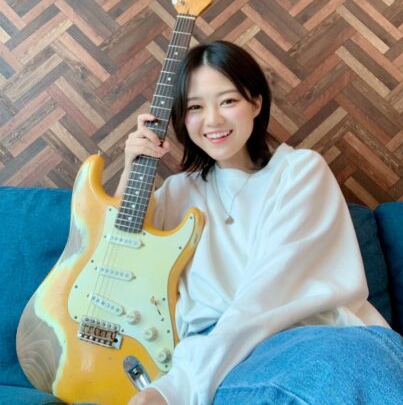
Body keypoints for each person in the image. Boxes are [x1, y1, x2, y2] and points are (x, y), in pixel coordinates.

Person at [115, 41, 403, 405]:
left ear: (256, 102)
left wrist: (179, 386)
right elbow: (115, 258)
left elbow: (267, 295)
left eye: (228, 101)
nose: (213, 120)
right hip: (224, 360)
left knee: (350, 369)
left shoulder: (300, 172)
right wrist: (132, 169)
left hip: (315, 335)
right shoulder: (176, 193)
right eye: (195, 107)